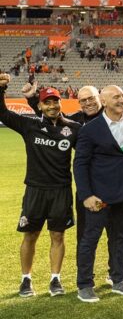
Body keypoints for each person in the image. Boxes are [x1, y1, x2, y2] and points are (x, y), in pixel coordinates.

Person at [0, 76, 79, 298]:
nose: (52, 106)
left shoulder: (74, 129)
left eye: (55, 101)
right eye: (47, 102)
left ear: (60, 102)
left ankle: (55, 280)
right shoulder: (29, 125)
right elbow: (3, 113)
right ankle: (26, 280)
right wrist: (1, 88)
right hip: (34, 189)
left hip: (61, 191)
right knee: (30, 235)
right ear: (40, 106)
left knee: (58, 236)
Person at [73, 84, 123, 303]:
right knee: (90, 240)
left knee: (121, 238)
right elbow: (80, 164)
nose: (121, 99)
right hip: (99, 196)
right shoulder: (90, 129)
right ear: (104, 102)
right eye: (115, 97)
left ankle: (119, 279)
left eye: (122, 95)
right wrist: (86, 195)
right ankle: (84, 284)